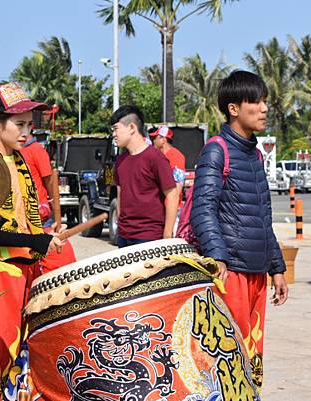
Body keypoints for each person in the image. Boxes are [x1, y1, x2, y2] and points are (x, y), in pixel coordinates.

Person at [0, 82, 64, 401]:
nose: (26, 132)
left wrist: (41, 240)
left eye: (29, 125)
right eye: (19, 124)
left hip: (28, 274)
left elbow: (27, 219)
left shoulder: (19, 161)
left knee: (25, 364)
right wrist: (32, 239)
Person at [190, 70, 288, 389]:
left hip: (257, 272)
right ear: (234, 108)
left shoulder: (256, 155)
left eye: (265, 102)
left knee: (251, 354)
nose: (263, 109)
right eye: (256, 102)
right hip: (230, 272)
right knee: (227, 358)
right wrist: (217, 257)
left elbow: (263, 216)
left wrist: (276, 268)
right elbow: (201, 209)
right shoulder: (216, 150)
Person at [111, 105, 178, 248]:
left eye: (116, 129)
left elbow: (172, 195)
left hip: (149, 237)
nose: (114, 134)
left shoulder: (155, 158)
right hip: (124, 236)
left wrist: (167, 236)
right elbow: (120, 194)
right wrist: (120, 227)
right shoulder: (120, 161)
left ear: (131, 128)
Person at [21, 129, 77, 274]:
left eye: (24, 125)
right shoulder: (15, 153)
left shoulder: (36, 149)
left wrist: (52, 205)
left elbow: (49, 179)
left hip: (40, 218)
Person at [149, 126, 186, 206]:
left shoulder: (177, 156)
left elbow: (177, 188)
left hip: (170, 208)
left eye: (155, 138)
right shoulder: (158, 156)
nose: (153, 141)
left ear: (163, 139)